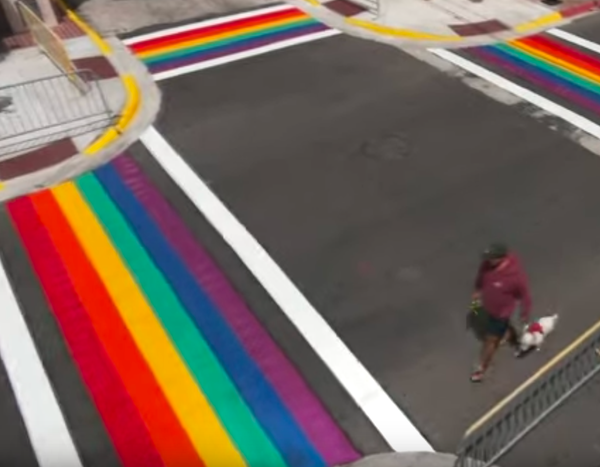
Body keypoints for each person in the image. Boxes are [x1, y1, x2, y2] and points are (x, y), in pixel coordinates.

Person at [470, 243, 532, 382]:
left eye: (490, 258)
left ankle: (481, 368)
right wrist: (477, 292)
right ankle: (517, 343)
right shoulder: (486, 265)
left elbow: (525, 296)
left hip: (501, 314)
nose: (486, 261)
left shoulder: (514, 277)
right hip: (489, 308)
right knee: (504, 329)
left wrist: (525, 313)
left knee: (490, 340)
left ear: (501, 259)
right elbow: (481, 278)